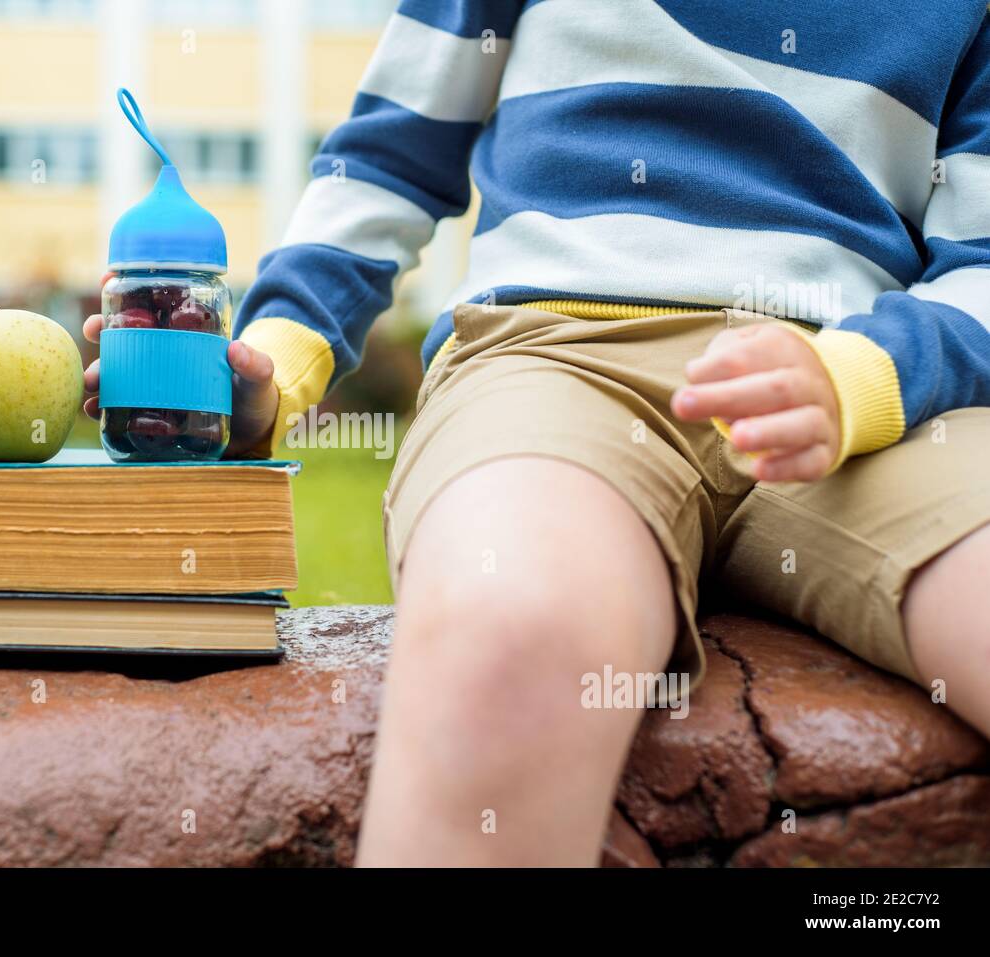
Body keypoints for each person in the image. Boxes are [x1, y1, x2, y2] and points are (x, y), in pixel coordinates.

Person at [84, 0, 990, 865]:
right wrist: (273, 363)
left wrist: (866, 380)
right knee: (510, 629)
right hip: (555, 362)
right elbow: (389, 158)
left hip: (862, 393)